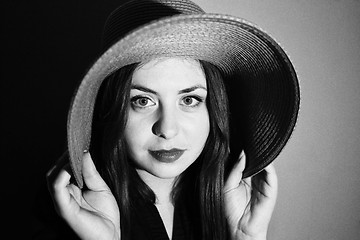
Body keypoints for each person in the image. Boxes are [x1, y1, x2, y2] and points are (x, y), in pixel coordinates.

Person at [46, 0, 300, 240]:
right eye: (142, 101)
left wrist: (247, 237)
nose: (167, 129)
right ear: (112, 109)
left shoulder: (231, 205)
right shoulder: (66, 215)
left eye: (189, 100)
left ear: (214, 109)